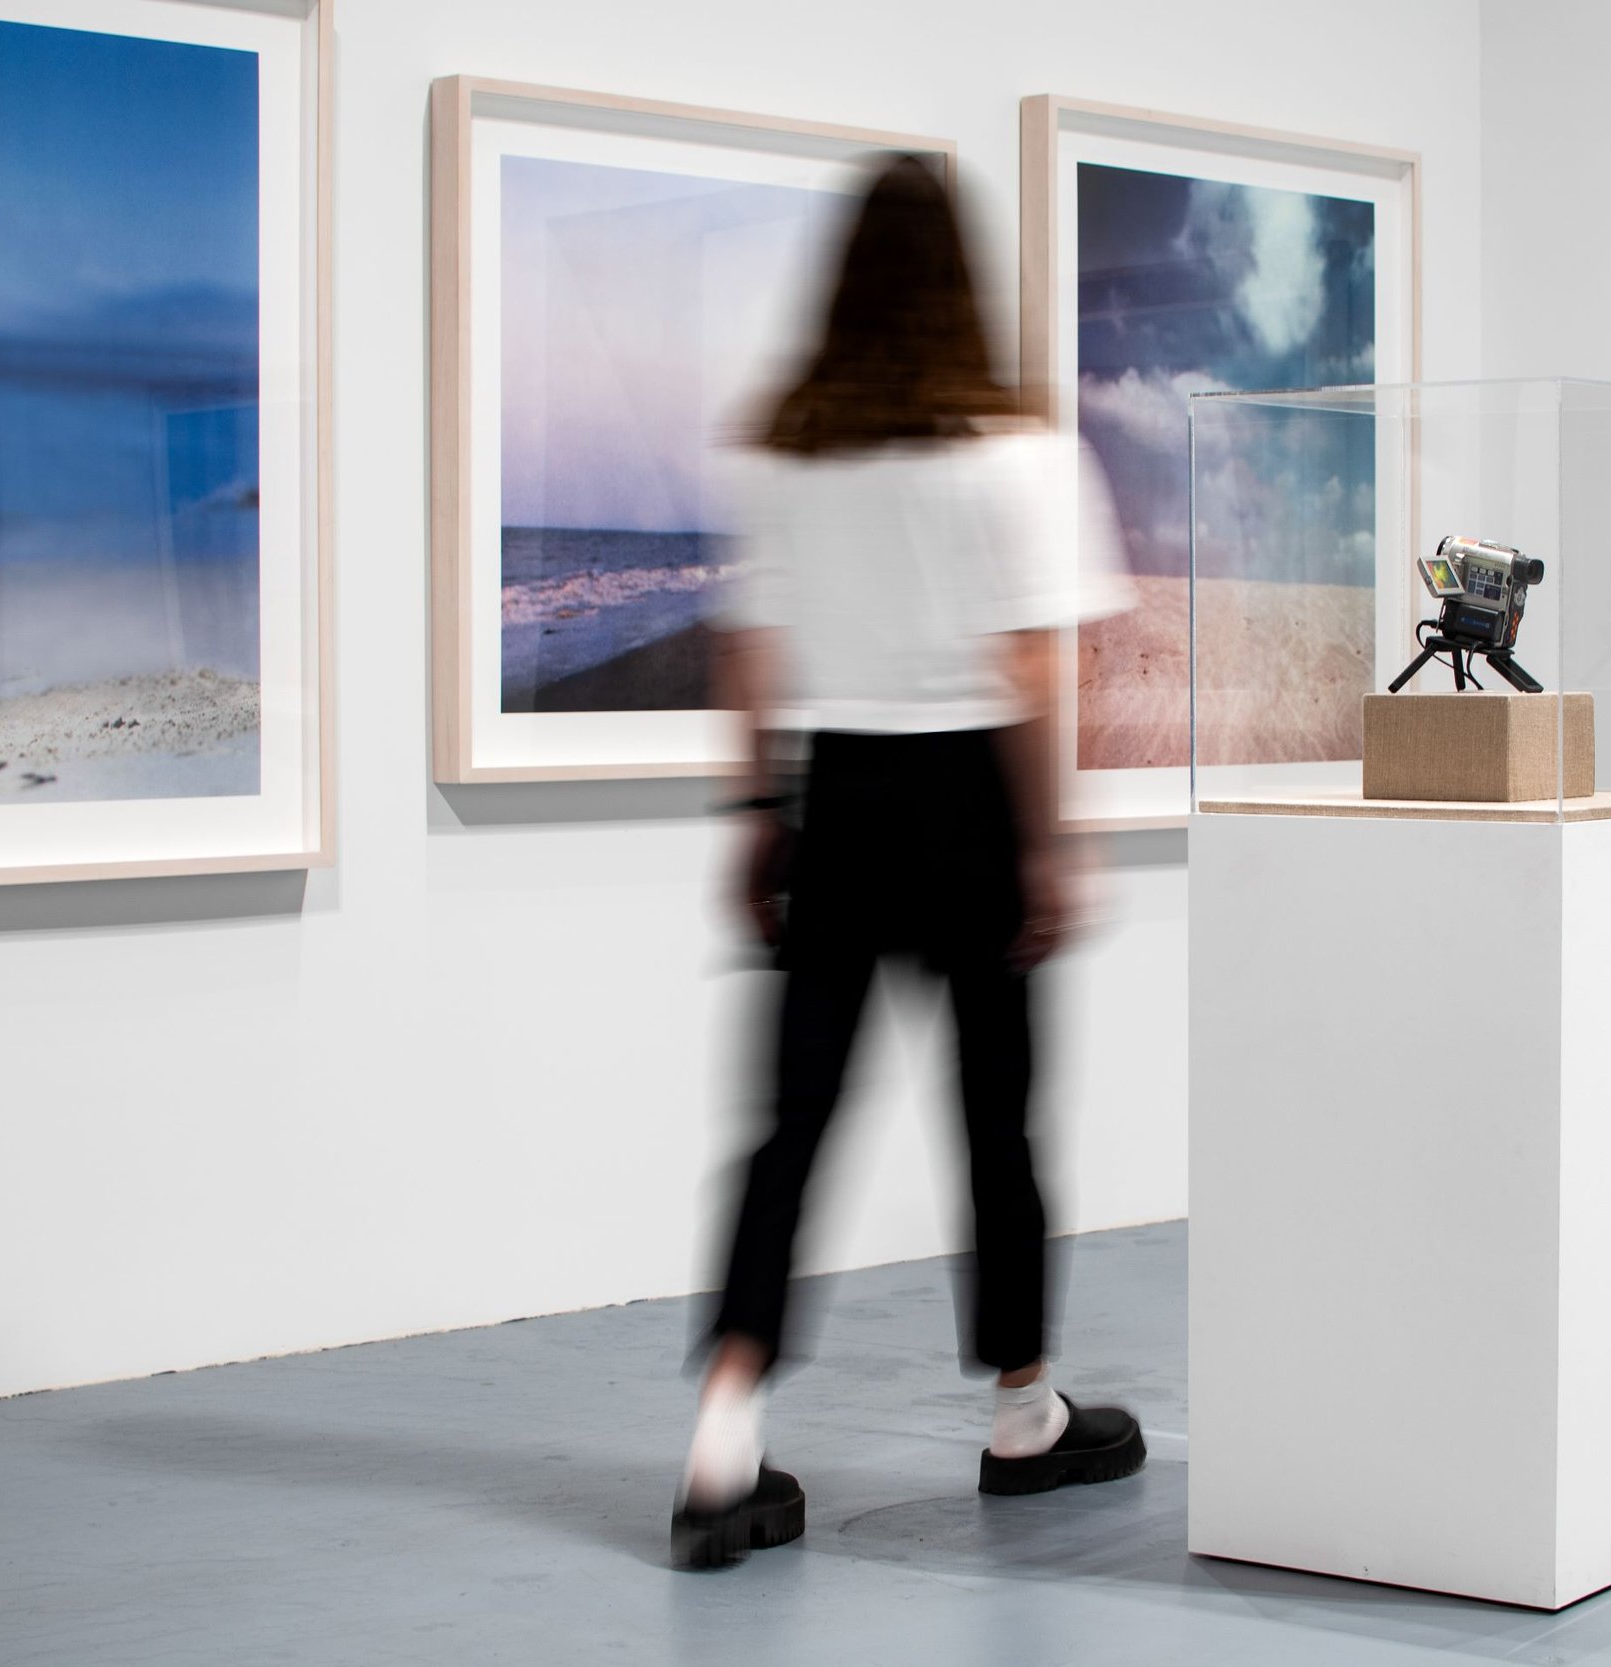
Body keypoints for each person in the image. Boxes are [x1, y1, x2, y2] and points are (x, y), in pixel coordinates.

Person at [673, 154, 1140, 1569]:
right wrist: (1050, 845)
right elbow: (1034, 671)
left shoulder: (786, 448)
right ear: (964, 282)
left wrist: (760, 815)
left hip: (839, 793)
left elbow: (751, 653)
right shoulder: (1020, 452)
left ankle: (721, 1439)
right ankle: (1022, 1416)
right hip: (971, 796)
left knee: (790, 1121)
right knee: (995, 1117)